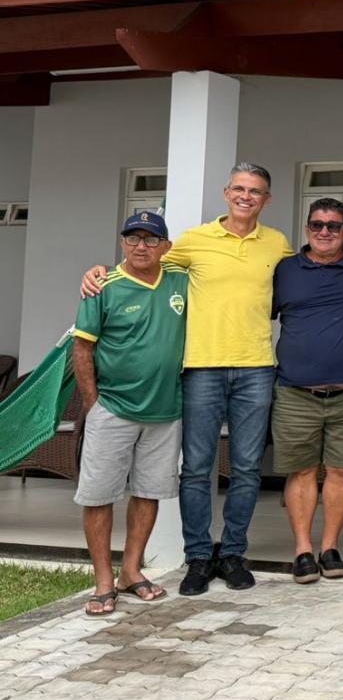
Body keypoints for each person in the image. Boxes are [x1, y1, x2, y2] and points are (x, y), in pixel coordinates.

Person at [82, 162, 292, 597]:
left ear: (266, 199)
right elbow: (141, 261)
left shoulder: (276, 243)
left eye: (255, 191)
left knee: (247, 468)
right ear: (226, 192)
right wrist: (98, 270)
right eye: (239, 188)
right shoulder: (194, 241)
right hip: (200, 369)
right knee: (196, 469)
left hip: (256, 368)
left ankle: (232, 554)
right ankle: (198, 556)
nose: (246, 196)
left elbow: (310, 267)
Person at [71, 211, 187, 616]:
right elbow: (82, 348)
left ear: (165, 247)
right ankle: (104, 581)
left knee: (148, 492)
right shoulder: (103, 286)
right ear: (122, 242)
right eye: (133, 238)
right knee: (99, 495)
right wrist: (93, 404)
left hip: (165, 411)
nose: (141, 246)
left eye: (151, 239)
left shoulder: (180, 282)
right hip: (113, 409)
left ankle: (131, 571)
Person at [271, 199, 343, 583]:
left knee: (341, 470)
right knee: (301, 470)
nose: (324, 232)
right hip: (296, 391)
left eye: (334, 226)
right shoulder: (285, 270)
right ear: (307, 228)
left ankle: (329, 547)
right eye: (317, 224)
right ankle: (303, 550)